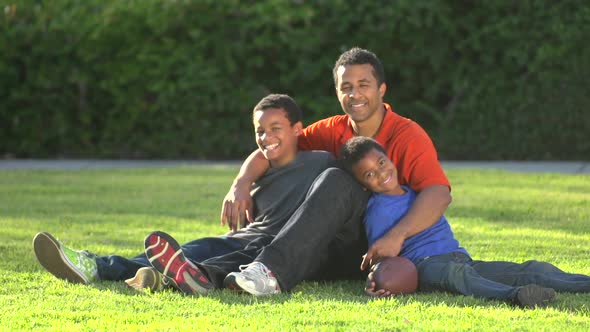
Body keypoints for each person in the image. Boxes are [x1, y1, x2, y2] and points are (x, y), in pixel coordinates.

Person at [33, 94, 335, 295]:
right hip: (241, 236)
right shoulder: (260, 164)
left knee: (195, 259)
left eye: (275, 128)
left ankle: (138, 274)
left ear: (297, 129)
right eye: (260, 131)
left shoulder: (322, 161)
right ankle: (99, 266)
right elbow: (257, 156)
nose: (266, 138)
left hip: (271, 247)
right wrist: (240, 183)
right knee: (186, 250)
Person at [223, 47, 452, 295]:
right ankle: (206, 272)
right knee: (271, 236)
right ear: (337, 93)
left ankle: (270, 273)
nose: (354, 94)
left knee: (338, 180)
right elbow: (275, 145)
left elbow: (439, 192)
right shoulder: (331, 129)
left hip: (382, 249)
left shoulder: (407, 134)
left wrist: (397, 235)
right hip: (337, 244)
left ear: (381, 89)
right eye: (346, 87)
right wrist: (241, 183)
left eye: (363, 84)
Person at [339, 136, 590, 308]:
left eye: (381, 163)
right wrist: (374, 280)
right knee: (456, 275)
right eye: (370, 174)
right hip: (426, 268)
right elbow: (379, 255)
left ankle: (584, 284)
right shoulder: (376, 212)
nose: (381, 173)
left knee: (532, 269)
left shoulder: (417, 192)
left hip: (458, 256)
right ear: (363, 184)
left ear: (389, 158)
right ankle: (515, 297)